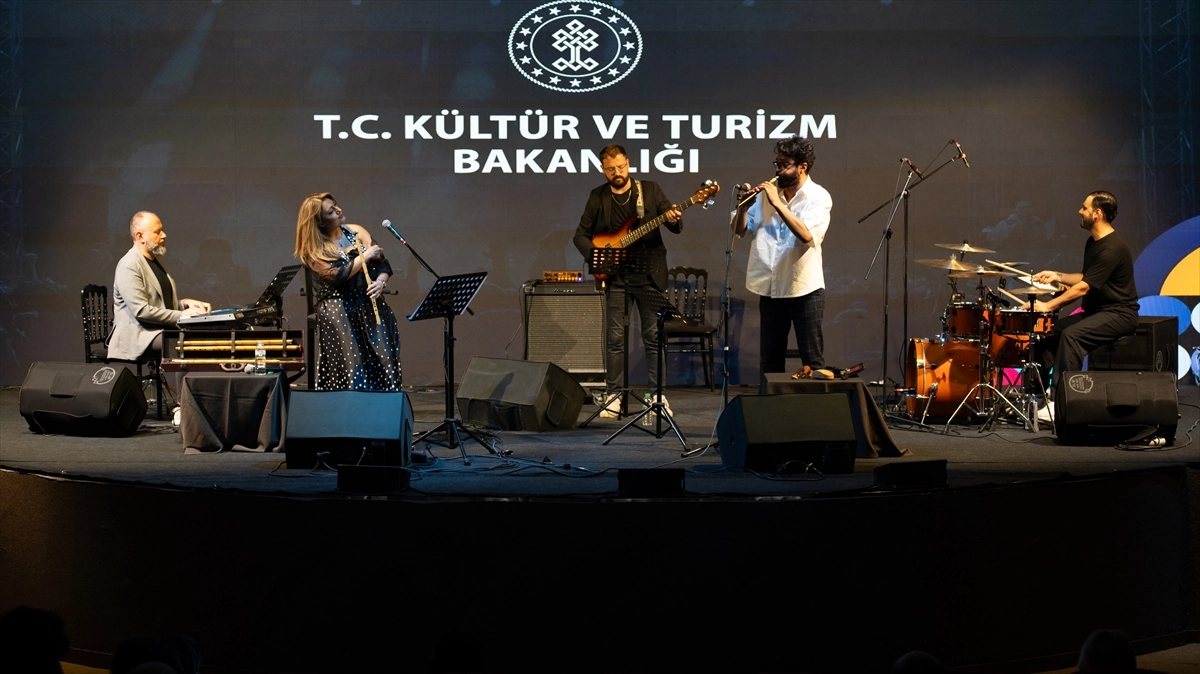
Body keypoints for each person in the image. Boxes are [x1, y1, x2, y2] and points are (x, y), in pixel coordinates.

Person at [573, 144, 682, 418]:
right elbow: (580, 235)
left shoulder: (650, 190)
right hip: (616, 278)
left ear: (628, 163)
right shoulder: (597, 196)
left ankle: (657, 396)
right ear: (603, 169)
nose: (617, 173)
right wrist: (597, 256)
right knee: (615, 339)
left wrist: (672, 218)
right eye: (611, 169)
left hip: (648, 277)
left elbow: (675, 225)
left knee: (653, 337)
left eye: (621, 167)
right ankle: (614, 397)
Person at [1027, 191, 1139, 418]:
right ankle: (1037, 396)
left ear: (1097, 214)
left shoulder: (1112, 248)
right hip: (1098, 312)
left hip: (1120, 314)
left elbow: (1084, 288)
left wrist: (1048, 306)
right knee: (1047, 333)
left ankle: (1062, 402)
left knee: (1071, 336)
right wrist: (1057, 275)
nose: (1080, 211)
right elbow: (1087, 277)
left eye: (1084, 208)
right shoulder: (1094, 243)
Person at [733, 136, 833, 376]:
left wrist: (778, 204)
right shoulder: (765, 194)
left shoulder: (819, 197)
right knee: (770, 361)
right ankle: (771, 399)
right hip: (771, 287)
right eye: (777, 163)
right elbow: (740, 230)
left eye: (784, 164)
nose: (778, 170)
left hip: (804, 288)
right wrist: (742, 208)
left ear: (802, 167)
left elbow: (807, 236)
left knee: (813, 362)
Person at [295, 192, 402, 391]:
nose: (338, 211)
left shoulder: (356, 231)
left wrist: (380, 282)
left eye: (336, 205)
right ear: (319, 222)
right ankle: (352, 403)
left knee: (385, 357)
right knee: (355, 366)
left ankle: (385, 403)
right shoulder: (313, 249)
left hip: (366, 302)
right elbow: (338, 276)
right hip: (338, 307)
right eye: (331, 211)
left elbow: (382, 264)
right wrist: (366, 255)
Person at [108, 212, 211, 362]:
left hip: (157, 330)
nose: (164, 235)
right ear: (140, 236)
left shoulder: (156, 261)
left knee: (199, 337)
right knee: (186, 344)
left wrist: (184, 304)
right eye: (157, 232)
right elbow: (141, 311)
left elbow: (160, 303)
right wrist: (181, 315)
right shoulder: (129, 265)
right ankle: (180, 378)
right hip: (139, 335)